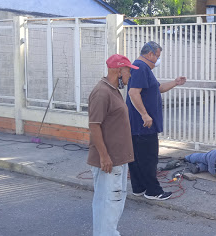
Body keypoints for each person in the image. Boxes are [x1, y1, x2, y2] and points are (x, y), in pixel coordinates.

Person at [127, 41, 186, 200]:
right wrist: (144, 115)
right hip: (144, 125)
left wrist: (175, 82)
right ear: (150, 54)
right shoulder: (140, 67)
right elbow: (133, 93)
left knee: (138, 157)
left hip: (140, 124)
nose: (158, 60)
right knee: (148, 158)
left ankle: (139, 188)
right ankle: (153, 191)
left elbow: (157, 88)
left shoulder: (143, 68)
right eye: (157, 56)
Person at [88, 54, 138, 236]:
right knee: (108, 204)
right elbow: (94, 125)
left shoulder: (113, 90)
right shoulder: (102, 93)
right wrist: (104, 156)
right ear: (118, 70)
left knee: (114, 202)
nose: (130, 76)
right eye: (128, 71)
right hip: (109, 161)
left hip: (118, 159)